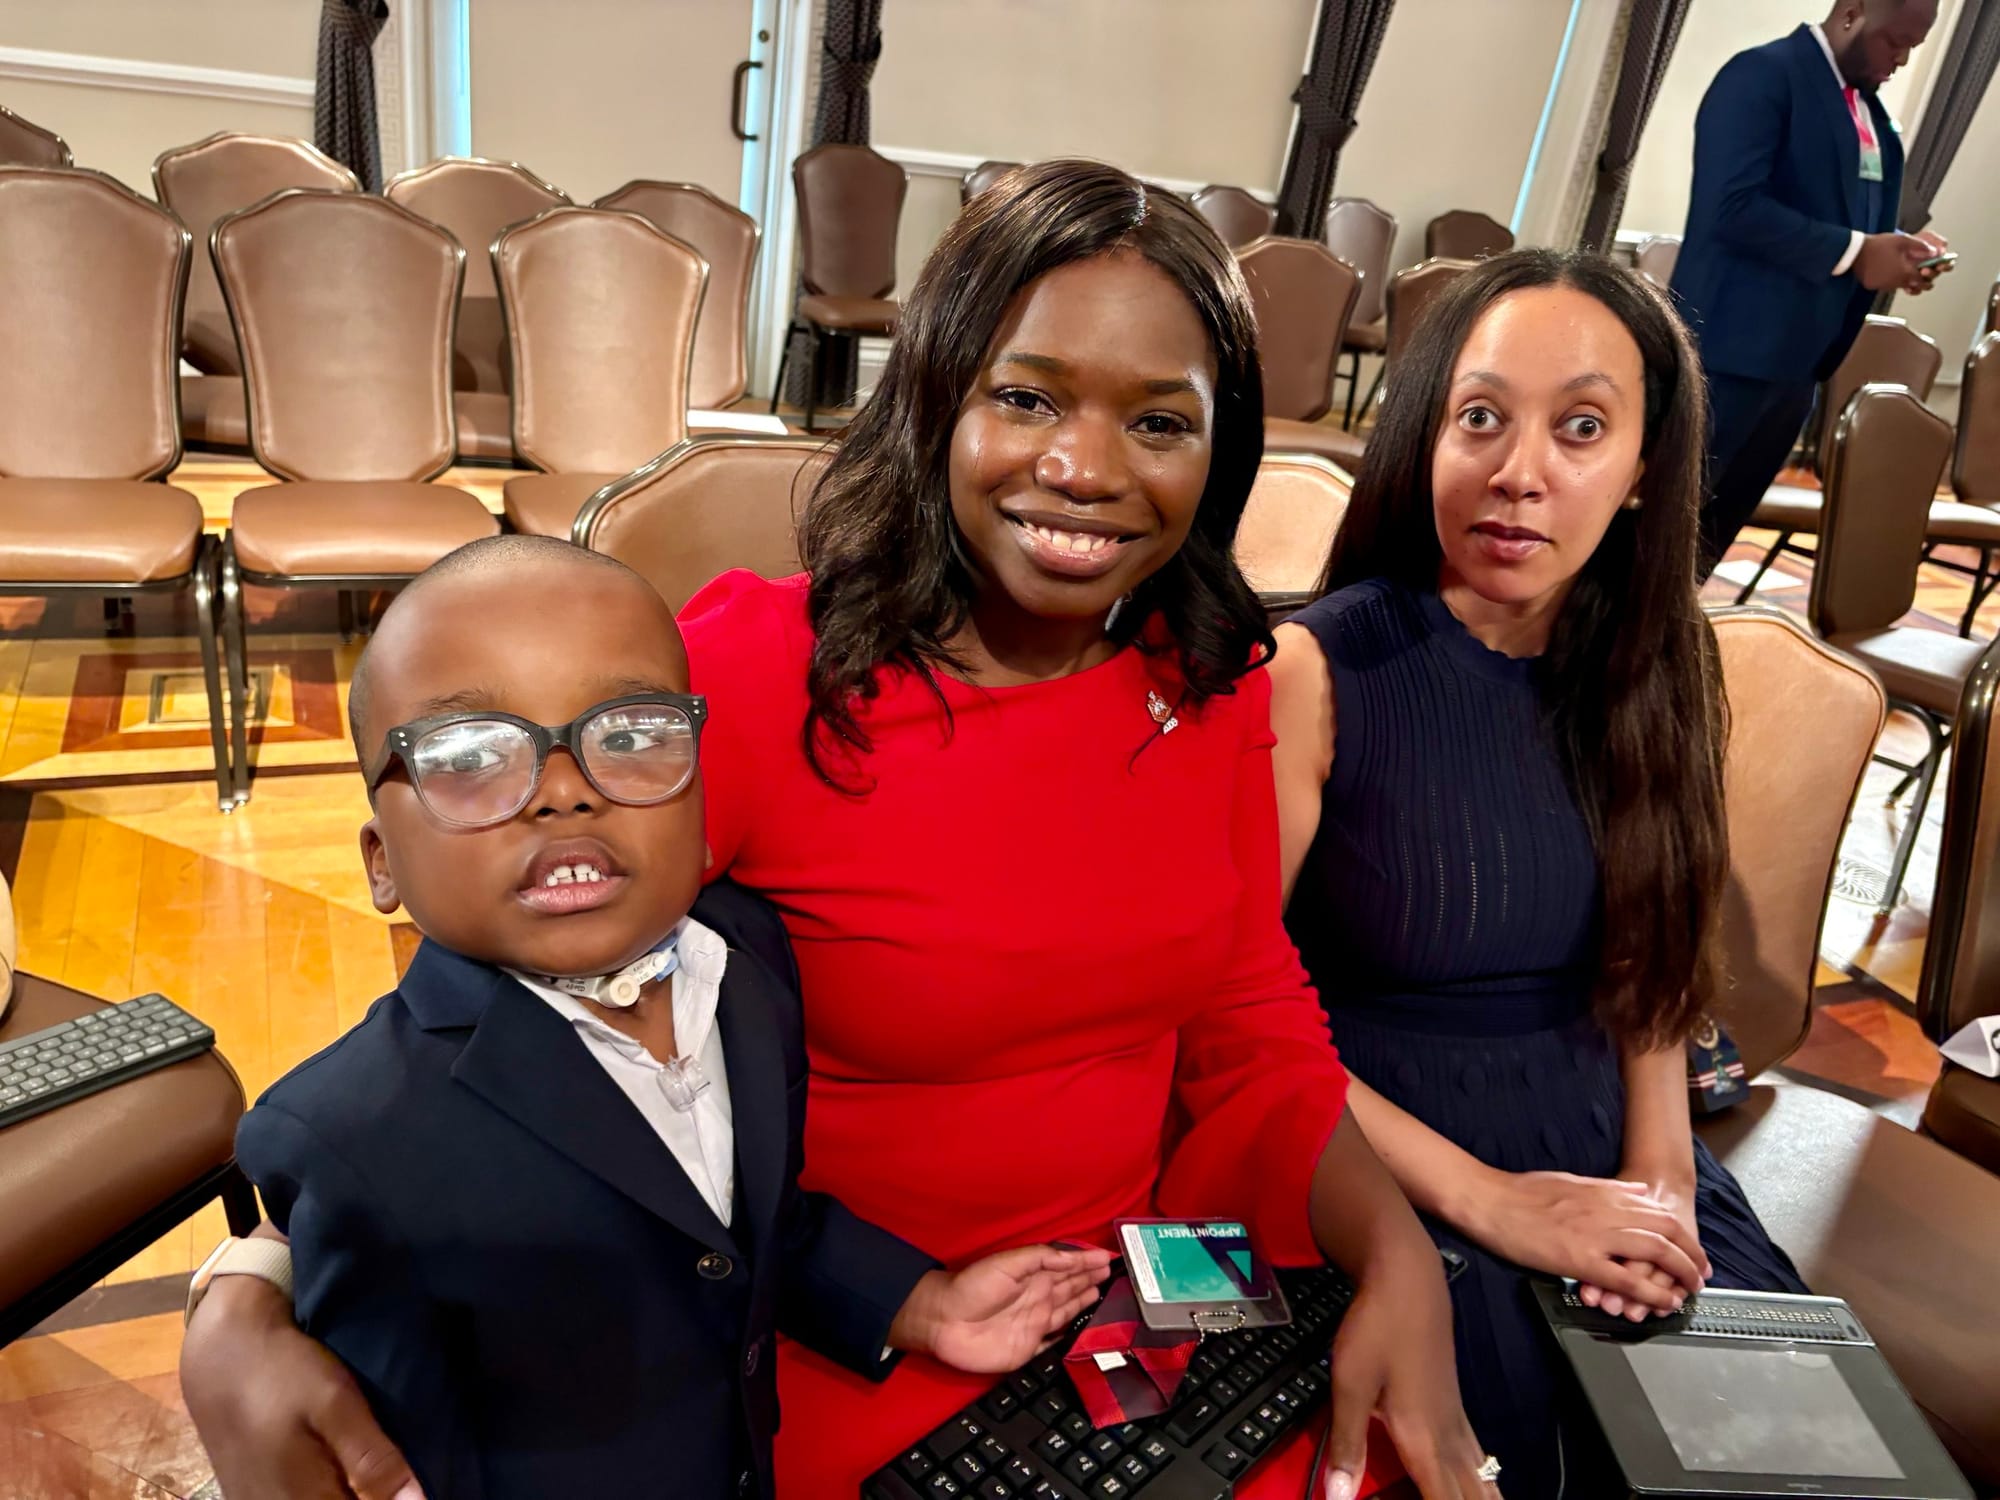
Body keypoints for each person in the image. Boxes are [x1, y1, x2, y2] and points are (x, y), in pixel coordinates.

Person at [179, 161, 1498, 1499]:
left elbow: (1247, 1000)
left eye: (1159, 422)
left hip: (1137, 1279)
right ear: (930, 396)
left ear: (1220, 455)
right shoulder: (760, 675)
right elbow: (498, 993)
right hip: (830, 1313)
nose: (1084, 469)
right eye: (1026, 396)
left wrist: (1394, 1253)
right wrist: (253, 1278)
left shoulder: (1206, 676)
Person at [218, 535, 1112, 1500]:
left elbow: (746, 1231)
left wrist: (922, 1305)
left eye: (632, 734)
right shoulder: (348, 1134)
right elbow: (398, 1450)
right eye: (470, 755)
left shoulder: (749, 968)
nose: (564, 789)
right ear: (380, 860)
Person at [1268, 249, 1808, 1494]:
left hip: (1604, 1124)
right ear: (1422, 439)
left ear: (1637, 473)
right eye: (1478, 419)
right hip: (1382, 1137)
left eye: (1579, 427)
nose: (1519, 473)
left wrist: (1663, 1183)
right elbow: (1231, 1008)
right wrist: (1495, 1203)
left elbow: (1651, 963)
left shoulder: (1659, 667)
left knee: (1777, 1456)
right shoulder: (1318, 669)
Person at [1671, 0, 1949, 575]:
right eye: (1893, 41)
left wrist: (1898, 251)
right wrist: (1856, 253)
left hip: (1802, 363)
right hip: (1726, 356)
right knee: (1660, 534)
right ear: (1851, 13)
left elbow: (1846, 220)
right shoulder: (1763, 76)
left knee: (1707, 547)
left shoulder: (1870, 114)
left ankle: (1661, 656)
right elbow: (1732, 208)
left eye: (1912, 49)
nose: (1900, 59)